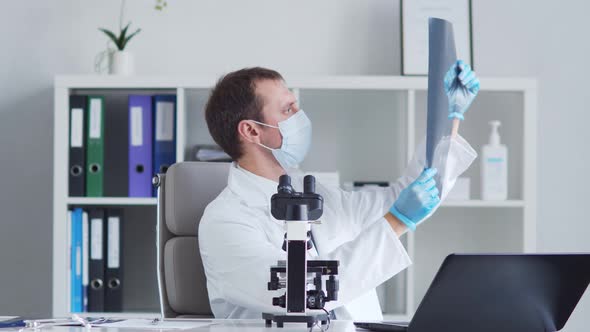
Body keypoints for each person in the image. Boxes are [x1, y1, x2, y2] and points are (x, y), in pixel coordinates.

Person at [199, 63, 480, 320]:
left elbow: (413, 194)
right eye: (287, 110)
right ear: (251, 131)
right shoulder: (225, 220)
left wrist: (450, 116)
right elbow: (301, 294)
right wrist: (395, 221)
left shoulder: (321, 196)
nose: (300, 117)